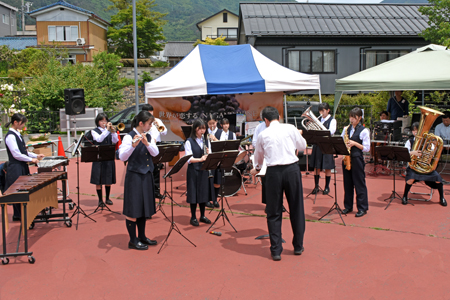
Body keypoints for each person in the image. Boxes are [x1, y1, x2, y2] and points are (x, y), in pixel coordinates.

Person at [254, 106, 307, 261]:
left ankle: (276, 250)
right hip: (292, 170)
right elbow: (302, 146)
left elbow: (258, 158)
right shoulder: (290, 128)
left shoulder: (263, 134)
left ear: (265, 120)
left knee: (274, 212)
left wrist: (257, 167)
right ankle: (298, 246)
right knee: (296, 208)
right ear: (279, 116)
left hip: (273, 173)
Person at [118, 111, 159, 250]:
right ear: (141, 123)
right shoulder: (129, 137)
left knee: (144, 207)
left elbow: (155, 153)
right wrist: (132, 146)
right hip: (134, 176)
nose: (150, 126)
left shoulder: (149, 136)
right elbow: (122, 157)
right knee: (133, 208)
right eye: (149, 123)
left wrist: (147, 144)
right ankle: (133, 240)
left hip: (146, 175)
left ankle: (142, 236)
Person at [4, 113, 44, 221]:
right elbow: (16, 154)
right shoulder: (11, 136)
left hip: (21, 165)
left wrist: (36, 155)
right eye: (22, 123)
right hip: (15, 167)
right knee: (18, 191)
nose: (23, 125)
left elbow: (24, 151)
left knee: (23, 189)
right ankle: (19, 214)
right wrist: (31, 160)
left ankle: (22, 214)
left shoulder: (17, 134)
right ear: (15, 122)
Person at [402, 122, 447, 207]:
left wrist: (426, 154)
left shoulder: (428, 142)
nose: (416, 132)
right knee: (410, 179)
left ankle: (442, 198)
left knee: (438, 178)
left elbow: (433, 155)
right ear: (412, 131)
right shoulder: (409, 141)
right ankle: (405, 196)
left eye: (418, 130)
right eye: (414, 130)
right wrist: (413, 152)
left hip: (426, 168)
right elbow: (404, 154)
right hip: (413, 167)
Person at [341, 107, 370, 217]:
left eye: (354, 117)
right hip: (347, 158)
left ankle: (362, 208)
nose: (351, 119)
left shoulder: (364, 131)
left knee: (359, 183)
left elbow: (367, 148)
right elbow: (341, 140)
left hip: (357, 158)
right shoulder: (346, 129)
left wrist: (354, 143)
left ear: (359, 118)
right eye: (350, 117)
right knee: (347, 184)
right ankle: (348, 206)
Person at [184, 119, 213, 226]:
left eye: (204, 128)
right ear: (195, 129)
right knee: (193, 193)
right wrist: (201, 159)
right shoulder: (189, 141)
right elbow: (189, 159)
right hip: (193, 170)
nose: (202, 131)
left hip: (203, 170)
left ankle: (202, 215)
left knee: (203, 193)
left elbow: (210, 155)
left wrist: (209, 153)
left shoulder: (206, 140)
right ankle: (193, 217)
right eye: (200, 128)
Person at [90, 113, 118, 206]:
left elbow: (115, 141)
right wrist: (107, 130)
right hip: (99, 157)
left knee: (108, 178)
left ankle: (107, 198)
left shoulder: (109, 131)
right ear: (98, 122)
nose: (104, 122)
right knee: (98, 179)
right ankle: (100, 200)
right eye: (102, 121)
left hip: (108, 156)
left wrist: (113, 132)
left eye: (105, 120)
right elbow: (99, 139)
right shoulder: (94, 131)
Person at [142, 104, 168, 199]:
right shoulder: (142, 122)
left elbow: (164, 132)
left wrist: (158, 125)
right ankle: (147, 191)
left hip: (156, 146)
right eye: (148, 112)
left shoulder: (157, 120)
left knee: (156, 169)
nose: (151, 114)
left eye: (151, 112)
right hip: (146, 145)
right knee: (147, 169)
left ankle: (156, 191)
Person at [310, 103, 336, 195]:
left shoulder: (332, 120)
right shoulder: (318, 119)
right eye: (320, 111)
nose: (321, 113)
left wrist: (320, 127)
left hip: (327, 145)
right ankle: (316, 186)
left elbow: (331, 131)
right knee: (316, 166)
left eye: (323, 111)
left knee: (327, 167)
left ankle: (327, 187)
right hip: (317, 145)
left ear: (328, 110)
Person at [205, 114, 221, 208]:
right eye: (210, 123)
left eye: (213, 123)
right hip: (208, 158)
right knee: (207, 180)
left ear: (216, 122)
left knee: (217, 181)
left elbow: (223, 144)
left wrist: (214, 139)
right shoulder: (204, 132)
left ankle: (215, 199)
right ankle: (207, 200)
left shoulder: (221, 132)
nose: (212, 125)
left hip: (218, 159)